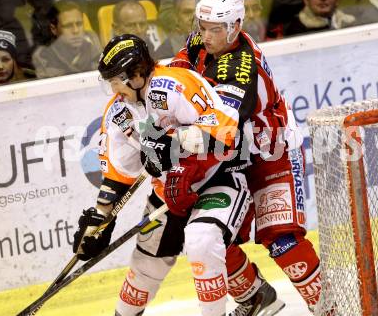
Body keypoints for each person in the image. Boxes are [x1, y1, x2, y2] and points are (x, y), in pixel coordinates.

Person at [74, 33, 265, 316]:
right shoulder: (118, 111)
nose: (113, 88)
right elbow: (118, 175)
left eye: (116, 80)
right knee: (144, 267)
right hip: (167, 193)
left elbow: (228, 134)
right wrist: (101, 220)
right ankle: (258, 295)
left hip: (216, 180)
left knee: (202, 240)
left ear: (137, 75)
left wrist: (175, 143)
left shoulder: (176, 84)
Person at [170, 0, 323, 314]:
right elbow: (177, 78)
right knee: (208, 238)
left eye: (215, 29)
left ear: (235, 26)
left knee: (282, 241)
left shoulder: (239, 67)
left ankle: (332, 307)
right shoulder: (201, 42)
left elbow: (216, 132)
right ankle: (255, 297)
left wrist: (170, 144)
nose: (205, 36)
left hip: (272, 153)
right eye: (203, 27)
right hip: (233, 157)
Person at [32, 1, 101, 78]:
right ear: (54, 29)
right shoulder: (44, 56)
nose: (76, 31)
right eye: (68, 26)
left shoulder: (92, 43)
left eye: (79, 24)